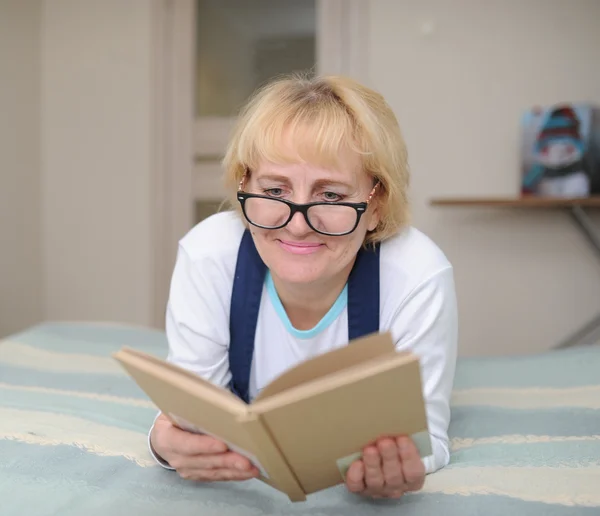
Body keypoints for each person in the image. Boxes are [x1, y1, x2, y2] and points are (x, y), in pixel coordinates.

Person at [148, 73, 458, 500]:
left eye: (330, 196)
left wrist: (400, 467)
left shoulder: (416, 274)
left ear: (377, 204)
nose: (296, 225)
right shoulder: (209, 254)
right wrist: (164, 443)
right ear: (244, 185)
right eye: (274, 189)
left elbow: (427, 440)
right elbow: (192, 413)